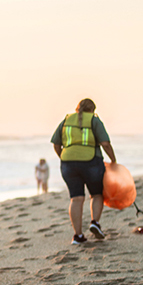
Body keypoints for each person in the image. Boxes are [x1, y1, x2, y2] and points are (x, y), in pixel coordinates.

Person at [52, 98, 117, 244]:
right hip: (91, 162)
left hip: (68, 164)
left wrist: (64, 157)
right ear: (93, 109)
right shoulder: (94, 120)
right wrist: (113, 160)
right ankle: (95, 222)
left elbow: (56, 144)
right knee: (96, 194)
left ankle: (78, 236)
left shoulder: (66, 120)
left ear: (77, 108)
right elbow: (105, 144)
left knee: (76, 199)